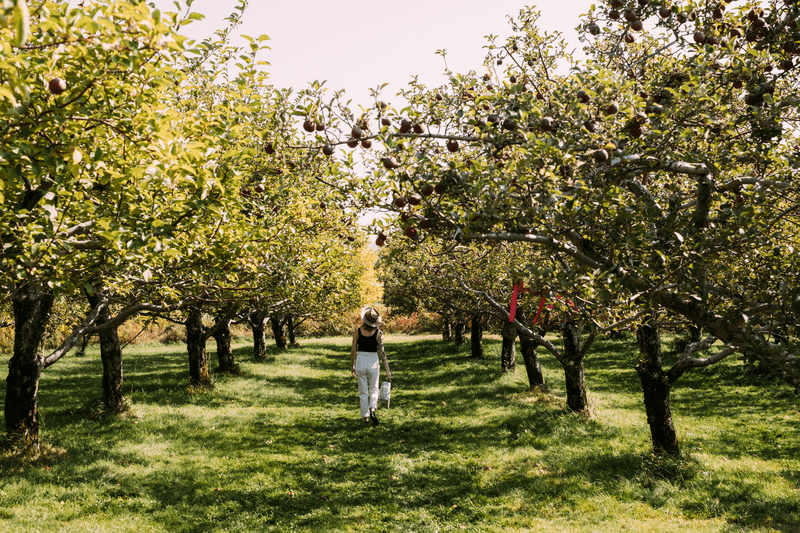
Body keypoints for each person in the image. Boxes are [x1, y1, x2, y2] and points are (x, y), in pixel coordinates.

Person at [350, 306, 392, 426]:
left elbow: (353, 351)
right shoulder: (379, 333)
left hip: (361, 360)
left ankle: (366, 417)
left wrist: (352, 366)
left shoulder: (357, 332)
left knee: (363, 391)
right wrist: (387, 371)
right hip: (373, 361)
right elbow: (382, 353)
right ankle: (373, 409)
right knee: (374, 388)